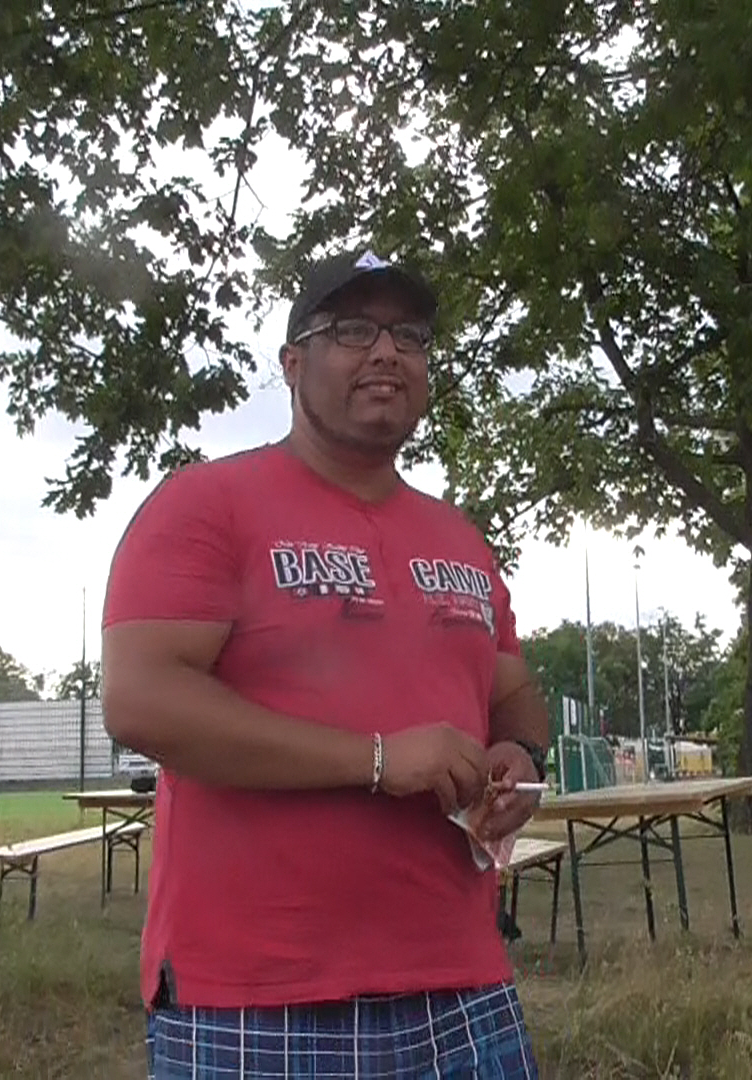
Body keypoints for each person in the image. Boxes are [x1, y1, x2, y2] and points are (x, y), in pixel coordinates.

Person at [101, 247, 556, 1078]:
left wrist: (519, 758)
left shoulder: (459, 537)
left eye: (408, 337)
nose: (386, 352)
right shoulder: (204, 505)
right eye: (352, 330)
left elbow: (514, 690)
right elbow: (141, 700)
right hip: (256, 999)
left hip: (464, 991)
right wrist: (378, 759)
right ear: (292, 363)